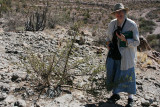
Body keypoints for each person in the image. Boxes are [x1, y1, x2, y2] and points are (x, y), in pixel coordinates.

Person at [105, 3, 140, 107]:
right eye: (117, 12)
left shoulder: (131, 24)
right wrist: (108, 44)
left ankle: (130, 99)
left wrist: (126, 40)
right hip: (113, 53)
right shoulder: (112, 24)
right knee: (113, 71)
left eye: (120, 12)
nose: (118, 14)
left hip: (126, 55)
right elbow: (107, 38)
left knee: (128, 75)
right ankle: (115, 94)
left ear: (125, 12)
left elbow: (137, 42)